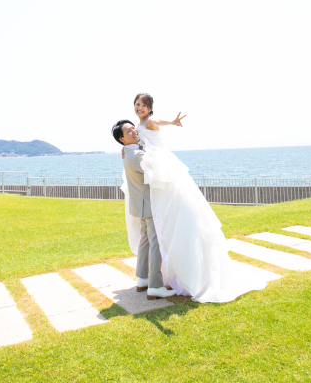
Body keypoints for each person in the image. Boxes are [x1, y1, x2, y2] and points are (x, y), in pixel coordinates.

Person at [131, 92, 269, 303]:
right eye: (137, 104)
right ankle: (159, 273)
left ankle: (173, 272)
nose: (139, 107)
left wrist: (172, 121)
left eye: (143, 105)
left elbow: (159, 122)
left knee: (174, 211)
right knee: (162, 219)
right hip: (154, 171)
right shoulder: (138, 124)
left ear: (150, 108)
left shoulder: (150, 121)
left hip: (162, 169)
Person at [112, 119, 176, 300]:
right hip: (148, 205)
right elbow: (157, 171)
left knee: (145, 241)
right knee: (155, 242)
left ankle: (142, 279)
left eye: (133, 128)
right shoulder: (138, 156)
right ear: (122, 139)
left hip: (139, 205)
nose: (134, 131)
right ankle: (155, 286)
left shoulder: (127, 152)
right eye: (128, 131)